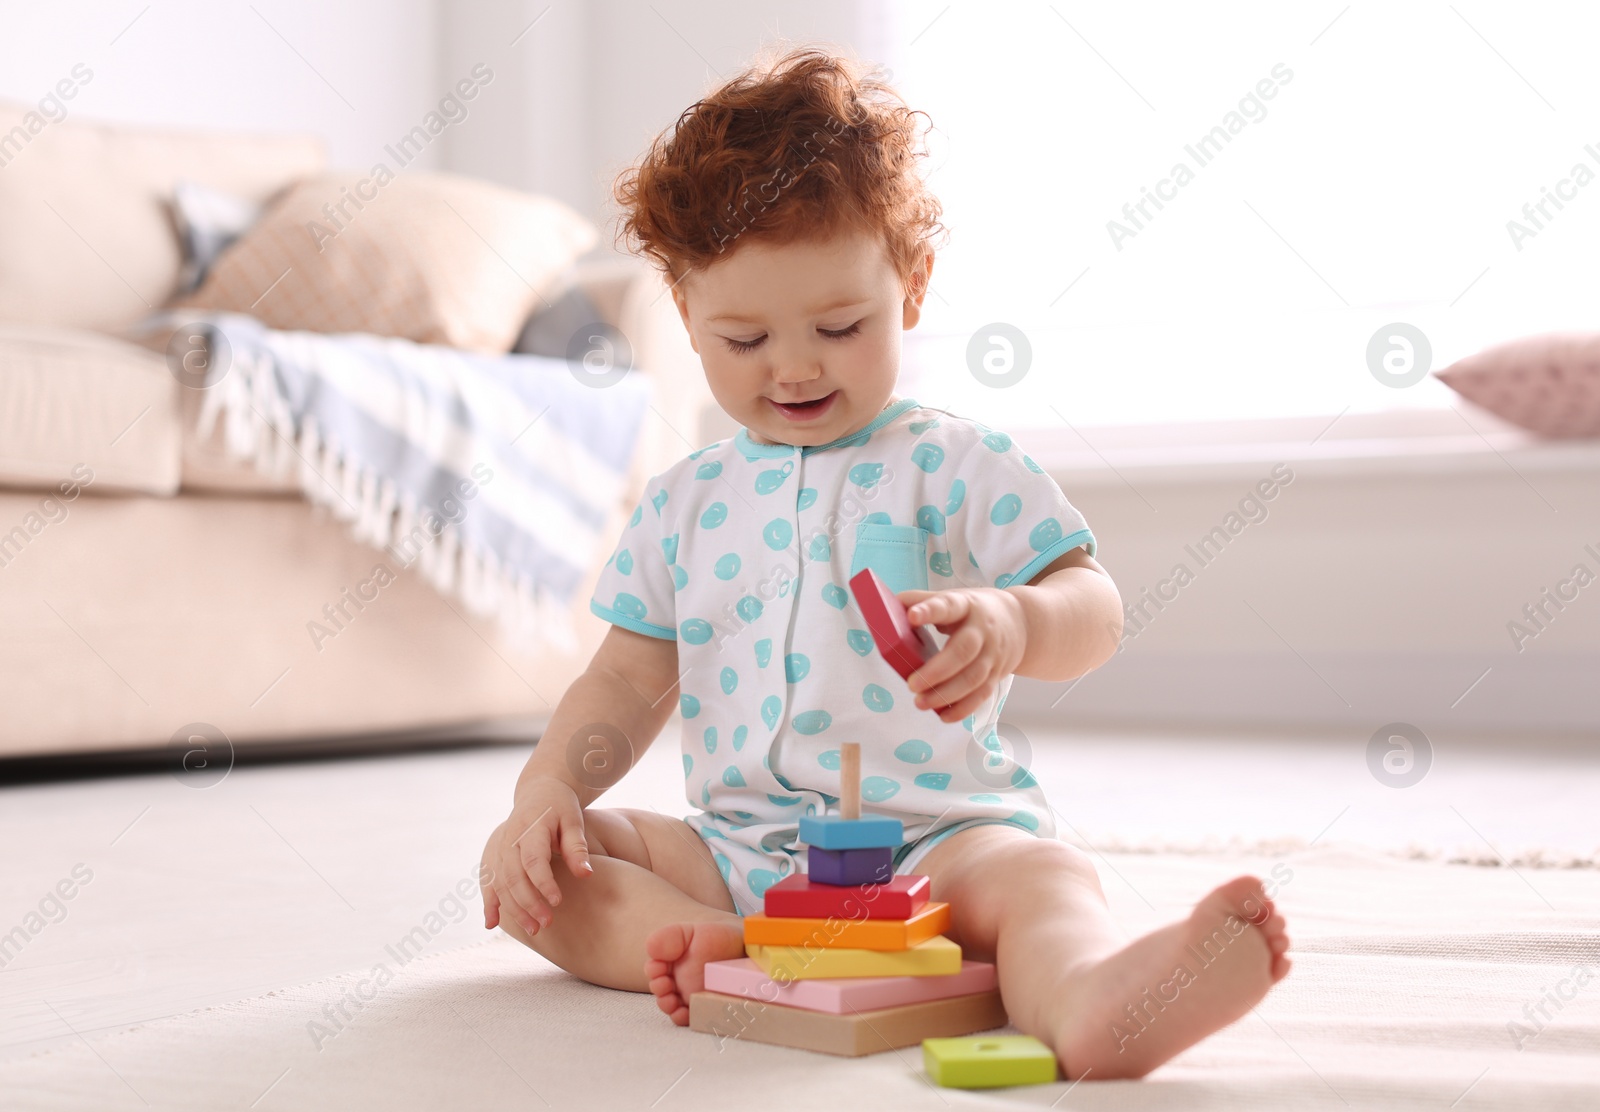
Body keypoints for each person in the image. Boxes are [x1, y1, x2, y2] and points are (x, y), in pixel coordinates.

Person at [480, 46, 1290, 1079]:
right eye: (743, 337)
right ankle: (741, 949)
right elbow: (627, 678)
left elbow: (1093, 603)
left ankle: (1089, 997)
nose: (794, 364)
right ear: (684, 317)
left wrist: (1014, 622)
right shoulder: (681, 503)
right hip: (740, 859)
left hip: (937, 840)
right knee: (547, 870)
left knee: (1038, 880)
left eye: (838, 324)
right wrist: (546, 786)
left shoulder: (954, 462)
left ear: (911, 287)